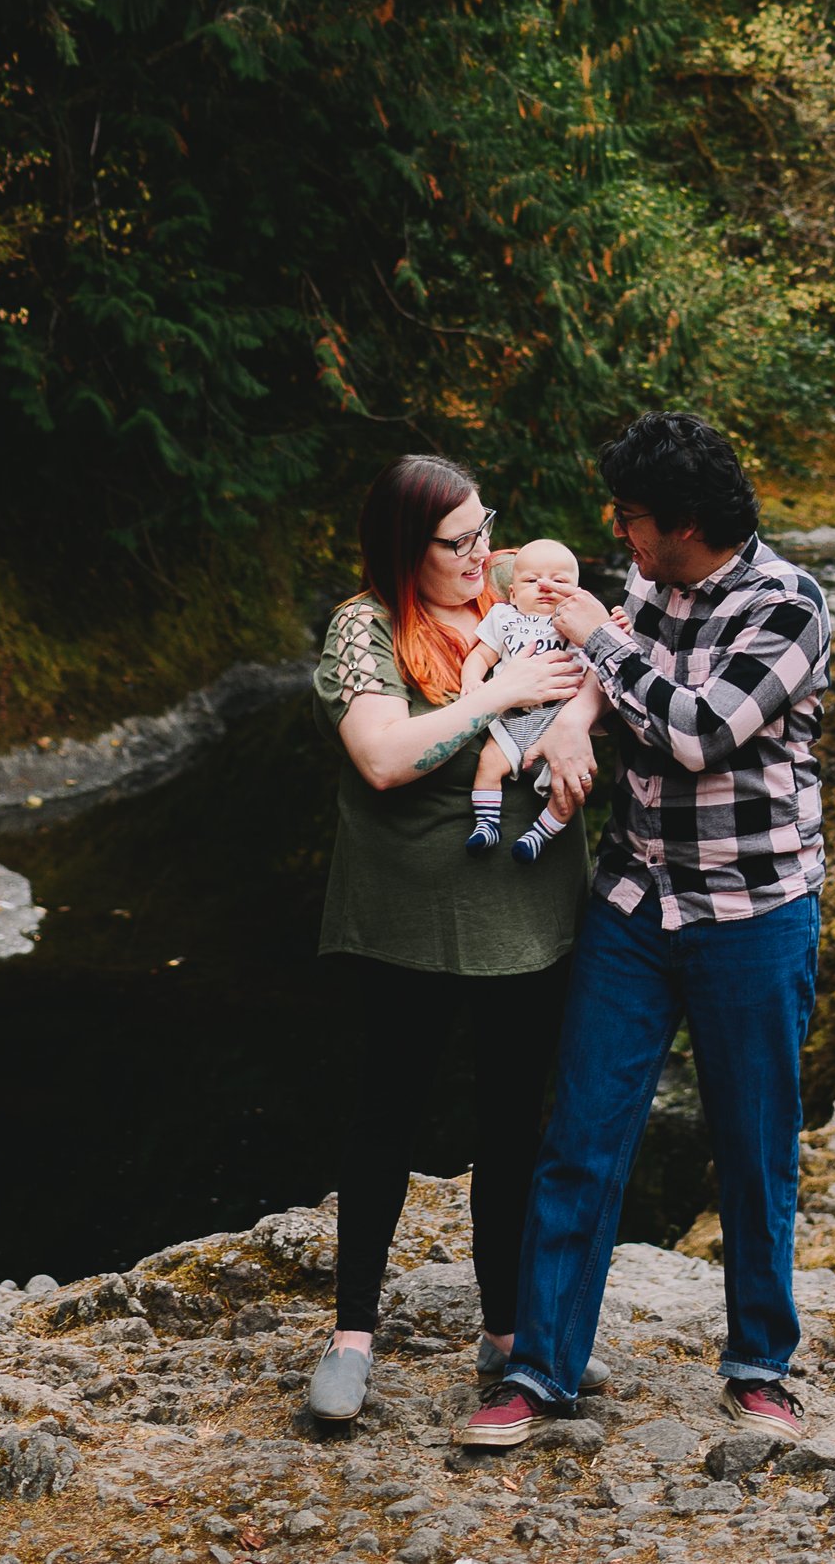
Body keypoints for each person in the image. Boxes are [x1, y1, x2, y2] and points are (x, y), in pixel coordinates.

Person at [455, 408, 831, 1452]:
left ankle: (759, 1365)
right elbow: (605, 698)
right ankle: (538, 1370)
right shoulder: (641, 591)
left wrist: (598, 640)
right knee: (580, 1134)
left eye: (629, 518)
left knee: (753, 1148)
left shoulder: (787, 604)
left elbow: (698, 730)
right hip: (632, 898)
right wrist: (575, 718)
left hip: (752, 911)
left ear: (680, 522)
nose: (616, 533)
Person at [306, 455, 602, 1429]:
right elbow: (385, 755)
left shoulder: (521, 583)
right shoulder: (366, 624)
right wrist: (496, 694)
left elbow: (612, 647)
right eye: (457, 541)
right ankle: (353, 1334)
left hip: (526, 904)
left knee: (515, 1124)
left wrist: (573, 724)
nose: (482, 554)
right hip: (408, 912)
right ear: (404, 548)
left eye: (486, 529)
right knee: (385, 1112)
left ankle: (509, 1336)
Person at [466, 537, 588, 860]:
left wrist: (611, 625)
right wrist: (472, 681)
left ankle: (539, 835)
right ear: (513, 593)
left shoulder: (575, 624)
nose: (545, 586)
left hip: (557, 724)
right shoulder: (503, 617)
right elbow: (481, 655)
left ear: (577, 593)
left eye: (559, 581)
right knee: (489, 762)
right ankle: (487, 824)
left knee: (571, 786)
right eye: (532, 581)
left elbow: (603, 655)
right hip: (512, 719)